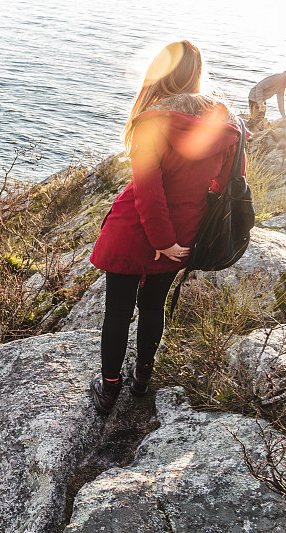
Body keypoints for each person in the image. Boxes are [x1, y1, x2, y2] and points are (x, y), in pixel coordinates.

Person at [88, 40, 245, 414]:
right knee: (153, 304)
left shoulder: (154, 120)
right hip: (183, 236)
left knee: (118, 311)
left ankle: (110, 388)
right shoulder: (225, 125)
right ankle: (142, 378)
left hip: (135, 231)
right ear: (197, 74)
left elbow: (147, 187)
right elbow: (226, 185)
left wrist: (160, 239)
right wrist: (176, 238)